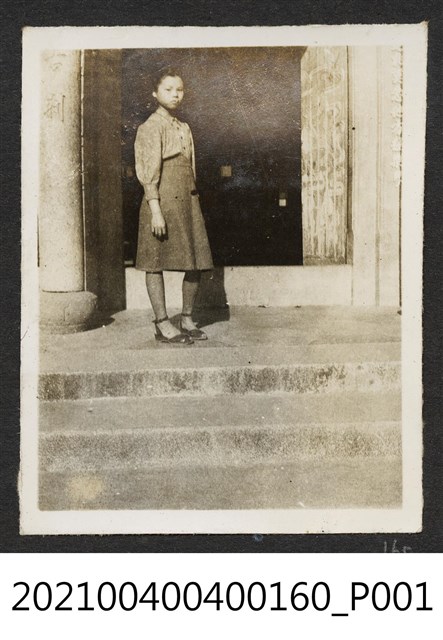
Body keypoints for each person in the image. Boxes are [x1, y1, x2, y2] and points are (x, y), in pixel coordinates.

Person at [134, 69, 213, 344]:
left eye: (179, 89)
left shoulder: (184, 127)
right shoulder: (150, 127)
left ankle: (187, 318)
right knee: (154, 262)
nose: (175, 95)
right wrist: (155, 210)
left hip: (187, 201)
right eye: (168, 89)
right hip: (161, 201)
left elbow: (191, 168)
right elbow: (149, 173)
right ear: (155, 93)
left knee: (196, 260)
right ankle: (162, 323)